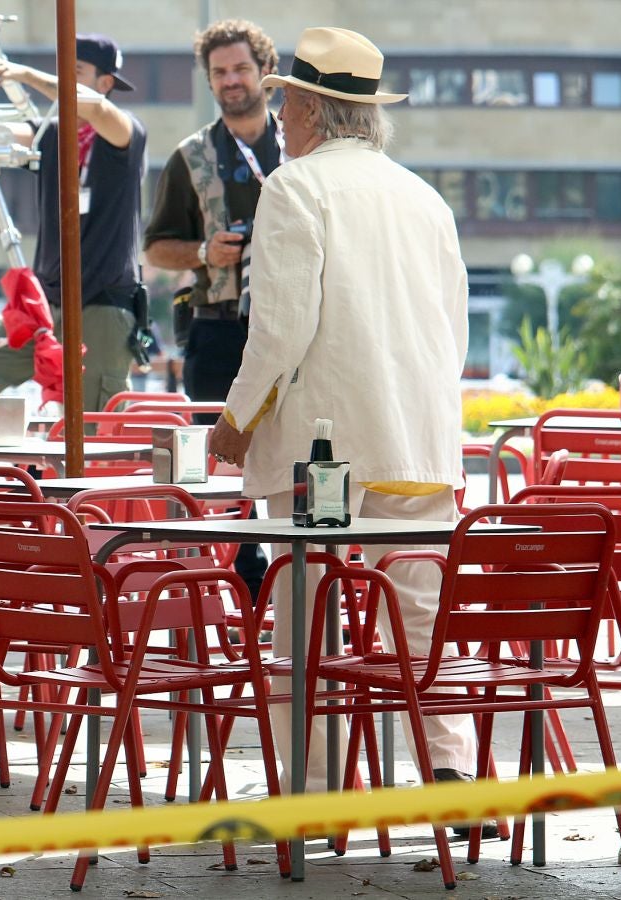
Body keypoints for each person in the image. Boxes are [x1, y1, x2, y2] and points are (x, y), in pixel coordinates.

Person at [205, 27, 488, 838]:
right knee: (424, 625)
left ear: (308, 110)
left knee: (309, 615)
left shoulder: (296, 188)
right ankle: (451, 772)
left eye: (286, 100)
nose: (278, 112)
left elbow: (282, 329)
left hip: (326, 452)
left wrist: (234, 421)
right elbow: (453, 333)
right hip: (418, 441)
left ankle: (317, 791)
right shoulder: (423, 197)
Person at [143, 18, 278, 601]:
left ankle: (303, 579)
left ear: (264, 71)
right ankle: (240, 585)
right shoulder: (190, 154)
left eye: (240, 68)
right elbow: (154, 246)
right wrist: (204, 251)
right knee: (224, 465)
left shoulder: (298, 144)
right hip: (218, 330)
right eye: (219, 71)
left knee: (303, 454)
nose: (230, 80)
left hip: (290, 328)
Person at [0, 34, 149, 411]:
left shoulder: (125, 131)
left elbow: (97, 111)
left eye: (77, 72)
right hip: (46, 301)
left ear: (105, 83)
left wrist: (21, 74)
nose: (63, 81)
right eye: (63, 72)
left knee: (91, 426)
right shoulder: (49, 133)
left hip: (102, 303)